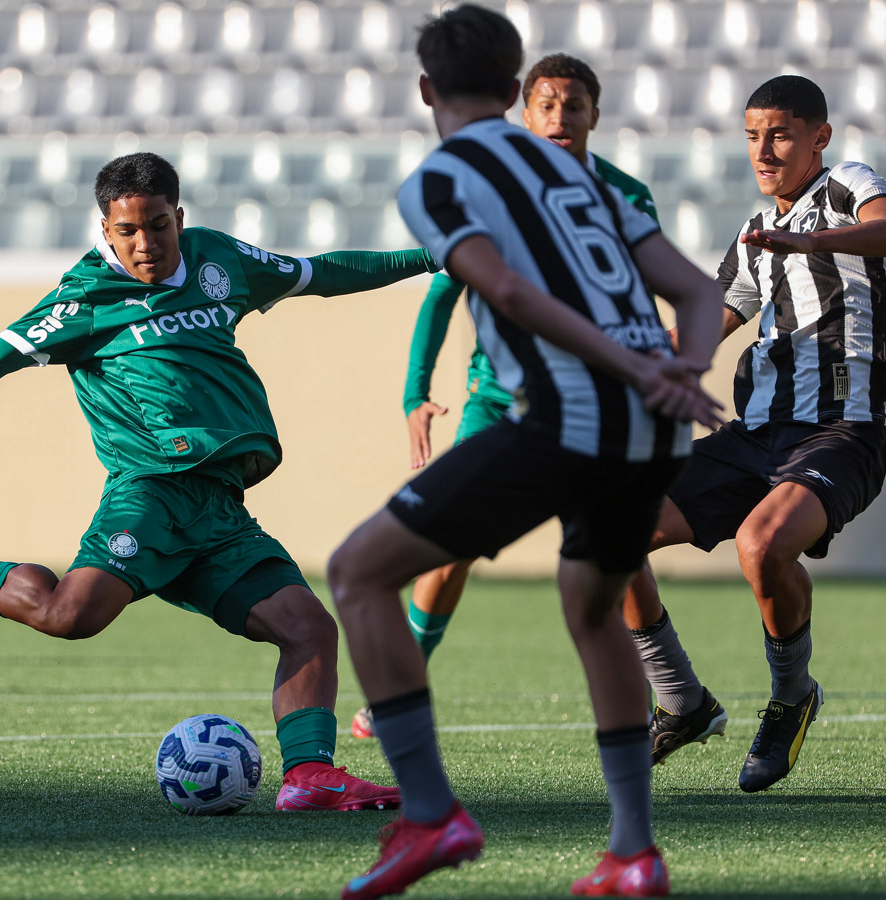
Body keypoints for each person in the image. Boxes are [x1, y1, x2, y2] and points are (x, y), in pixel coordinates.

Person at [0, 152, 437, 810]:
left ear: (178, 217)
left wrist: (430, 258)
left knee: (309, 628)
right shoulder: (85, 298)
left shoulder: (219, 260)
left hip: (219, 507)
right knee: (69, 616)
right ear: (105, 229)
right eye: (127, 230)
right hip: (150, 492)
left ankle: (307, 777)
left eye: (158, 226)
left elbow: (322, 272)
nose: (145, 244)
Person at [327, 6, 726, 898]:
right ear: (516, 91)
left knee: (358, 573)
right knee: (594, 607)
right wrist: (678, 368)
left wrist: (630, 365)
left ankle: (429, 814)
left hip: (571, 415)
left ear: (425, 89)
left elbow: (501, 288)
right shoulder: (586, 176)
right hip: (654, 426)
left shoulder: (440, 179)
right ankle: (633, 852)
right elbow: (699, 292)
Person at [352, 53, 662, 740]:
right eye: (546, 104)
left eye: (573, 104)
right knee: (447, 547)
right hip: (499, 401)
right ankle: (401, 686)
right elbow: (441, 296)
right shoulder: (492, 192)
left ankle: (658, 695)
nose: (559, 117)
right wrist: (414, 394)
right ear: (525, 112)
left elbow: (642, 294)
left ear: (595, 114)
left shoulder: (627, 196)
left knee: (614, 558)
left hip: (591, 404)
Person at [622, 75, 886, 791]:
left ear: (819, 138)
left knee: (762, 546)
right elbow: (706, 328)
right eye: (752, 137)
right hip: (754, 433)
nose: (764, 151)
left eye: (780, 135)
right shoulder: (753, 238)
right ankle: (681, 700)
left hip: (843, 428)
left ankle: (792, 695)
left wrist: (808, 241)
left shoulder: (848, 186)